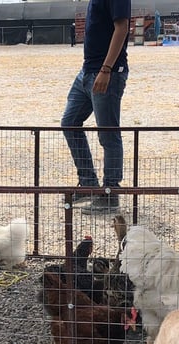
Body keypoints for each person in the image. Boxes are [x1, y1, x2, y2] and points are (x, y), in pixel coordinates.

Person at [60, 0, 130, 214]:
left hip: (106, 71)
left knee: (108, 133)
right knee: (69, 123)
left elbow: (122, 28)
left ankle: (110, 193)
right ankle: (89, 182)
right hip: (88, 70)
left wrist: (107, 69)